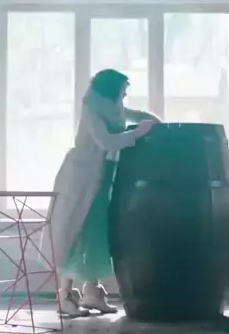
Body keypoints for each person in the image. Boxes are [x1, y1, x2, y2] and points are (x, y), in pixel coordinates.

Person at [40, 69, 161, 317]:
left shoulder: (114, 106)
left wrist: (153, 120)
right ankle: (65, 295)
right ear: (111, 88)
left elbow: (133, 114)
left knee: (96, 232)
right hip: (83, 175)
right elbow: (105, 141)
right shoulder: (91, 108)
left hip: (103, 174)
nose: (125, 94)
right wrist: (138, 132)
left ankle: (92, 291)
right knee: (77, 229)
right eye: (123, 89)